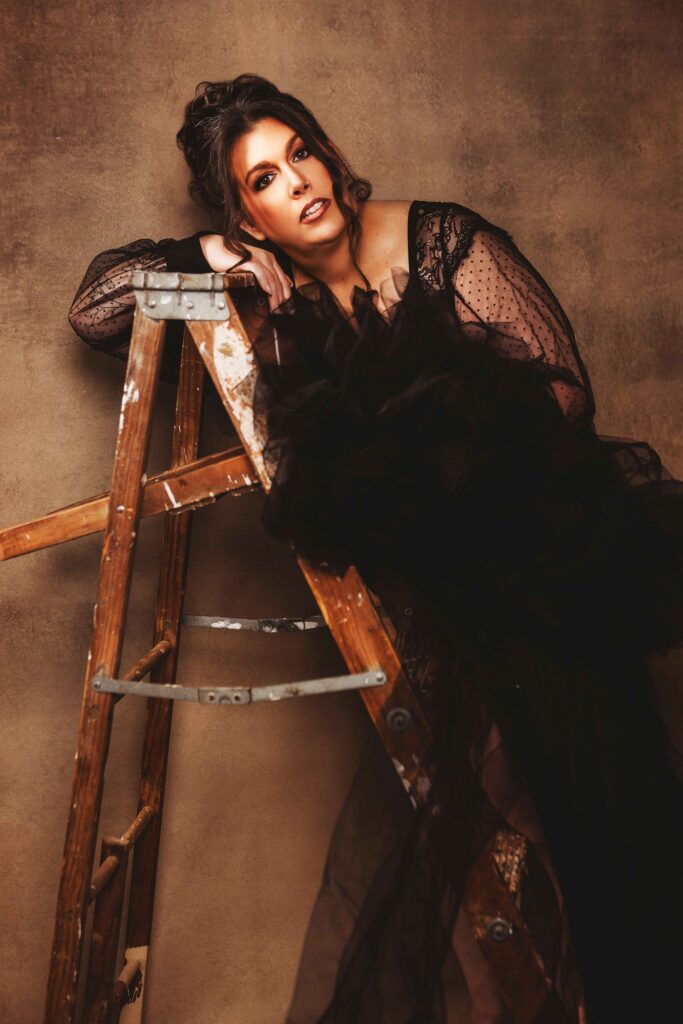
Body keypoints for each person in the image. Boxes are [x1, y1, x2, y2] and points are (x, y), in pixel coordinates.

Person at [68, 74, 683, 1024]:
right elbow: (95, 310)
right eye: (263, 180)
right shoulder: (270, 293)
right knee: (508, 842)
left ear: (327, 154)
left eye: (300, 152)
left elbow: (564, 398)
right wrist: (208, 252)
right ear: (250, 217)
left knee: (612, 812)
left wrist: (443, 465)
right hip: (444, 607)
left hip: (550, 566)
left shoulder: (441, 241)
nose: (298, 181)